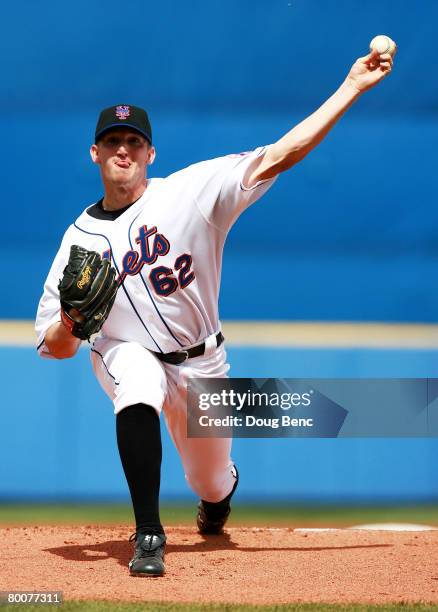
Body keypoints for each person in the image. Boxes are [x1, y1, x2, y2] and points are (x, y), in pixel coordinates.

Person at [35, 48, 394, 577]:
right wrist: (69, 322)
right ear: (95, 153)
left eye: (134, 141)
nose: (123, 150)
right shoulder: (77, 239)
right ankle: (149, 534)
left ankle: (217, 503)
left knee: (212, 481)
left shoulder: (190, 193)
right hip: (128, 352)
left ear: (151, 154)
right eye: (113, 141)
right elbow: (53, 347)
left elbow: (281, 154)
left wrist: (350, 88)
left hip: (204, 364)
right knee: (133, 375)